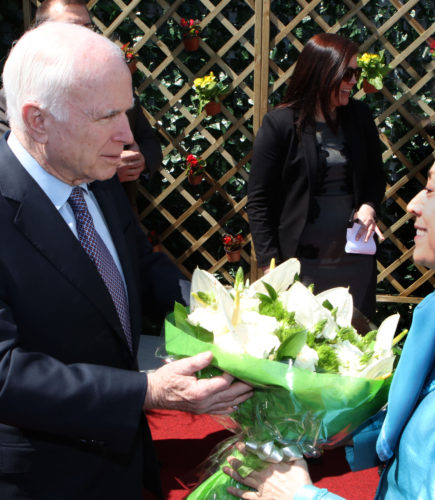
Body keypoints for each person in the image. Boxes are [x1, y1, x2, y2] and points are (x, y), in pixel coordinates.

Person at [0, 22, 252, 500]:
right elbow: (5, 372)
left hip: (127, 465)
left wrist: (229, 313)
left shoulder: (94, 171)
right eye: (106, 116)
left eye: (128, 112)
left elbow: (139, 263)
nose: (126, 134)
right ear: (37, 119)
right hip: (42, 479)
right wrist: (146, 392)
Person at [224, 120, 435, 498]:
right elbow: (422, 427)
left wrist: (301, 496)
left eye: (431, 189)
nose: (412, 204)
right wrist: (327, 434)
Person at [247, 33, 386, 319]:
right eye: (347, 73)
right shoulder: (280, 124)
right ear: (323, 73)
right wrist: (270, 265)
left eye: (356, 73)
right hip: (301, 264)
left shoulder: (359, 116)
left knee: (353, 343)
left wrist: (369, 206)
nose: (353, 82)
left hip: (354, 262)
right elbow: (259, 200)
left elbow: (375, 174)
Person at [0, 0, 163, 212]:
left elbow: (147, 140)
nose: (85, 38)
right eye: (71, 30)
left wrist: (141, 160)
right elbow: (19, 170)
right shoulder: (10, 101)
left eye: (88, 29)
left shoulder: (114, 88)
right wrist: (107, 169)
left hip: (119, 220)